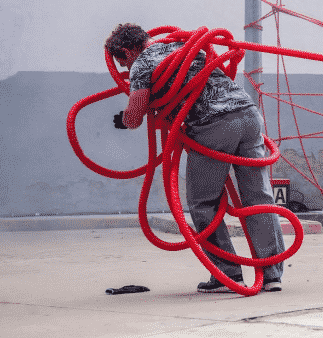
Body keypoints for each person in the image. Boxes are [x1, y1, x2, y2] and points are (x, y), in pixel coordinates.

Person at [105, 23, 285, 292]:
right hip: (248, 115)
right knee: (258, 197)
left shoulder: (141, 65)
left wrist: (121, 120)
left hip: (213, 126)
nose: (122, 68)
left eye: (121, 61)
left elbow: (135, 116)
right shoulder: (183, 46)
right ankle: (272, 275)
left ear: (126, 51)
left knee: (203, 204)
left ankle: (227, 275)